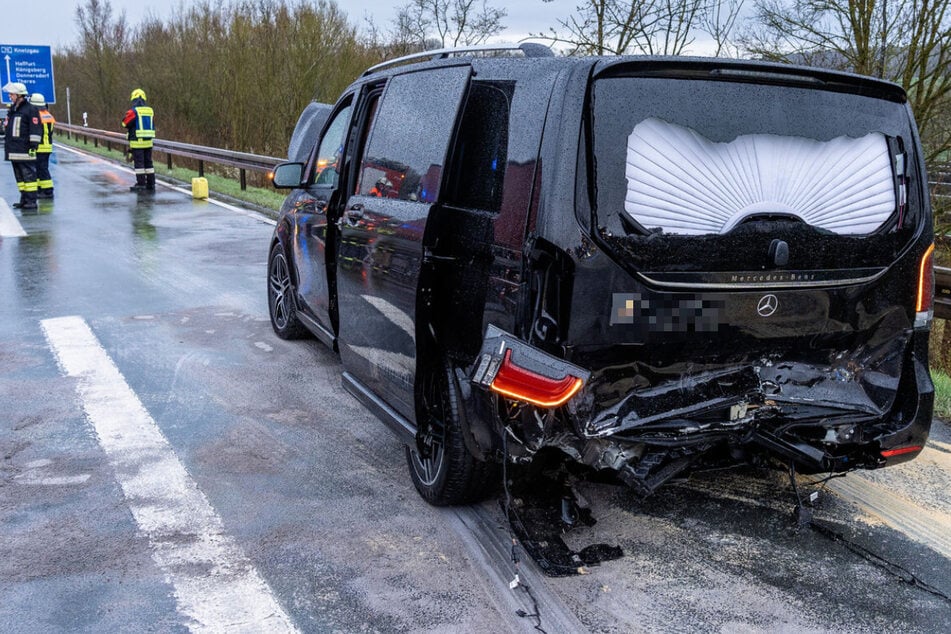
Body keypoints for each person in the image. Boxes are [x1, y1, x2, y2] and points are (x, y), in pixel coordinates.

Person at [2, 82, 40, 210]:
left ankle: (31, 201)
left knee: (29, 177)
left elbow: (35, 128)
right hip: (14, 150)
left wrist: (33, 145)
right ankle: (24, 199)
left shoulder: (30, 109)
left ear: (19, 95)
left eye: (11, 94)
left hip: (25, 150)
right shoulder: (13, 110)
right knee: (20, 178)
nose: (10, 96)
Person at [122, 88, 156, 192]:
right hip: (148, 142)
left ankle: (141, 184)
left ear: (134, 99)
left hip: (137, 142)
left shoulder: (133, 111)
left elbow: (125, 123)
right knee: (149, 163)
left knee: (139, 164)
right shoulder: (150, 111)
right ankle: (151, 183)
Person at [29, 93, 55, 199]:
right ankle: (41, 189)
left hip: (39, 147)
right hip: (47, 146)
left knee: (41, 169)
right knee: (41, 169)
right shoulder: (48, 115)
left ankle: (48, 191)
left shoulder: (37, 116)